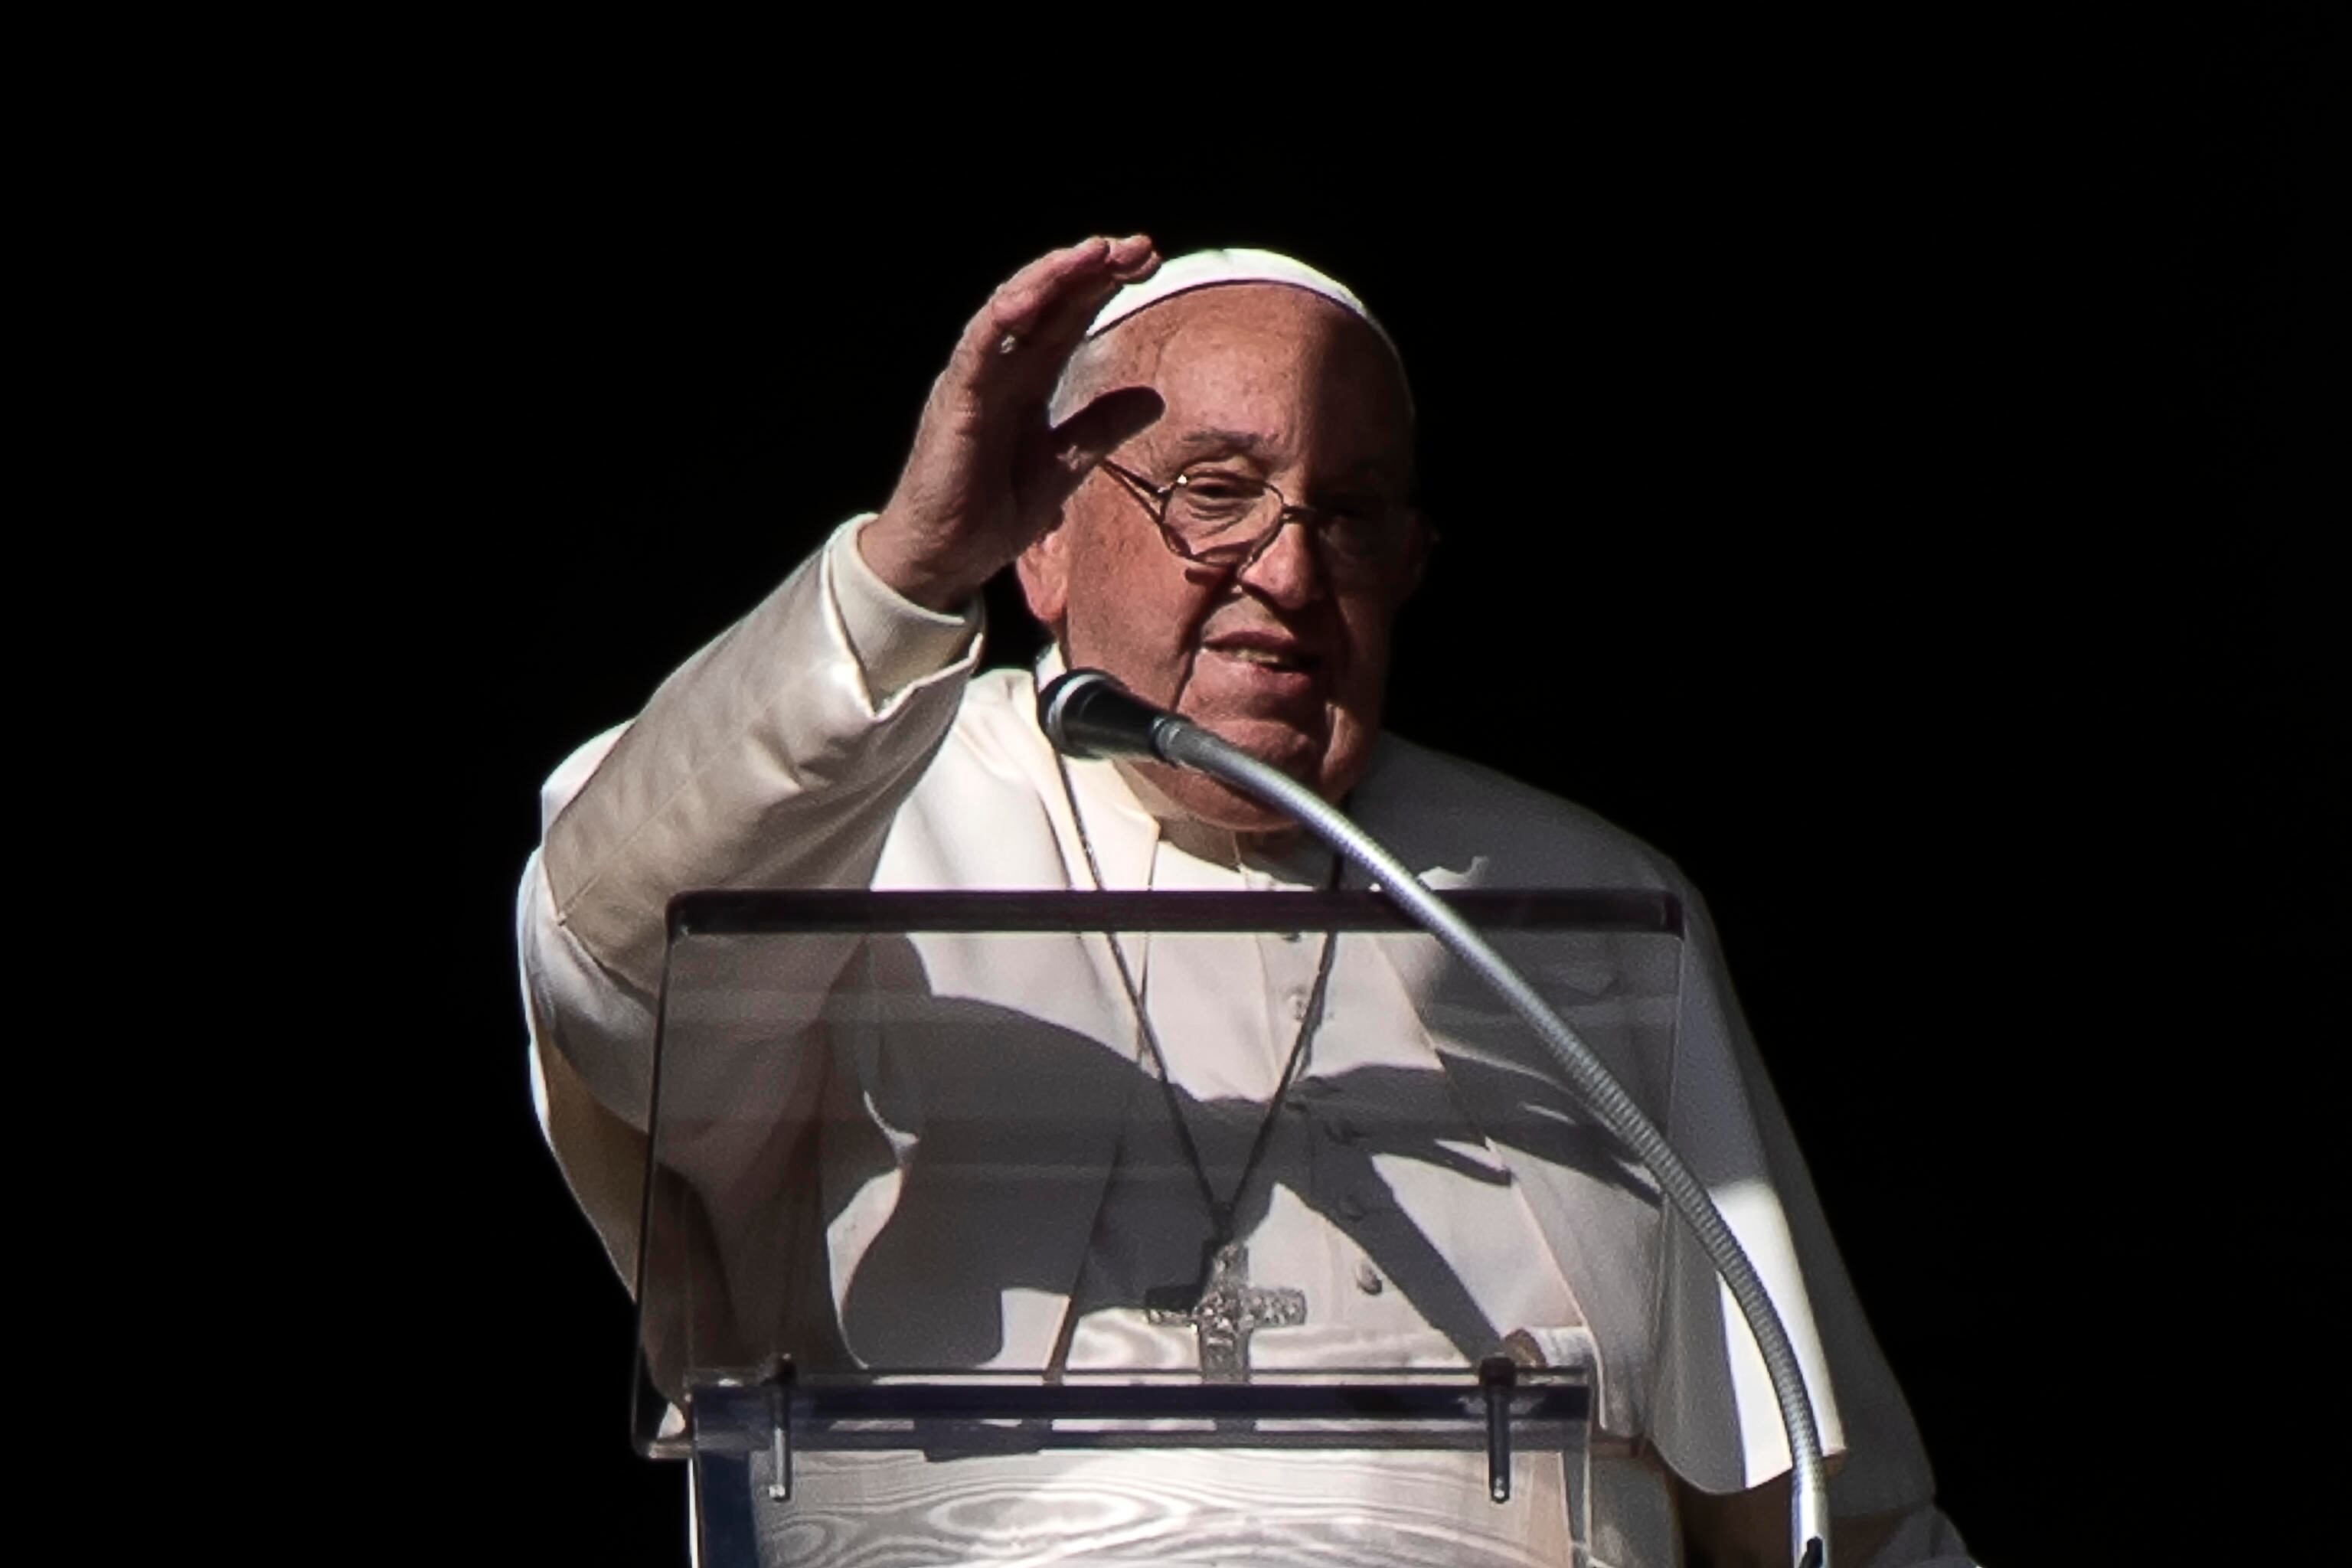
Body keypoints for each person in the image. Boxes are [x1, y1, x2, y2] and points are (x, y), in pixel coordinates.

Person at [518, 236, 1973, 1566]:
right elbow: (608, 959)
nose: (1284, 571)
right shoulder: (852, 820)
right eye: (1215, 492)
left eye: (1346, 516)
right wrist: (904, 574)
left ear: (1412, 566)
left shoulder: (1567, 905)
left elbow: (1816, 1502)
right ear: (1043, 536)